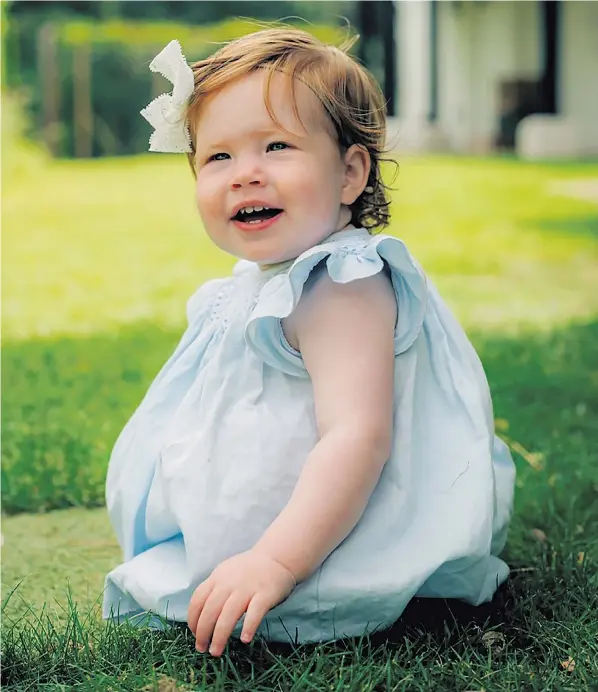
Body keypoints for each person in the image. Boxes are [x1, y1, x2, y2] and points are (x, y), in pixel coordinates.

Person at [103, 28, 516, 658]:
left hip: (322, 542)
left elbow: (358, 436)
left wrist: (274, 560)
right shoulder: (266, 280)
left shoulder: (342, 283)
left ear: (350, 172)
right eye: (218, 158)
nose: (245, 175)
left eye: (276, 146)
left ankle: (289, 578)